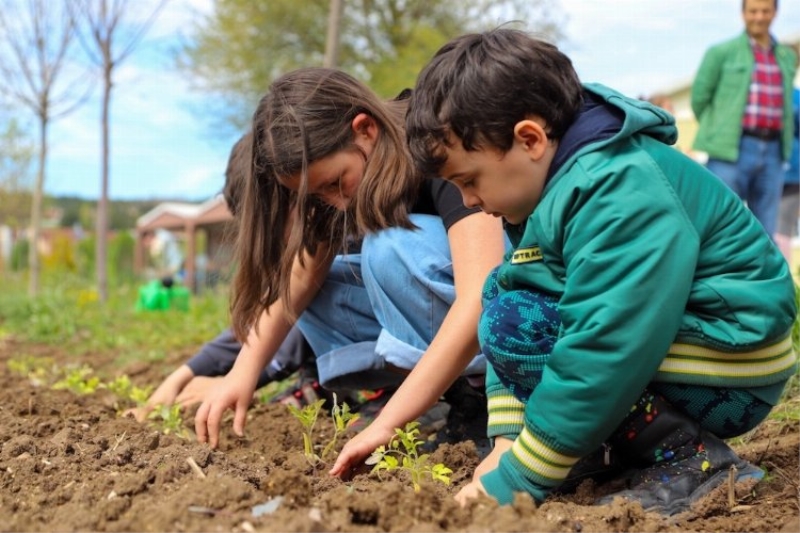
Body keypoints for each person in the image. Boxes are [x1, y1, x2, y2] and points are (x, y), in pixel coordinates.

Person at [395, 28, 797, 515]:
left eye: (469, 180)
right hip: (685, 347)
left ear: (530, 139)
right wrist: (508, 442)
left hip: (735, 362)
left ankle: (693, 463)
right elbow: (510, 296)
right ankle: (601, 450)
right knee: (506, 302)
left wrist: (520, 477)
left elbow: (607, 346)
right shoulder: (560, 188)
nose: (469, 202)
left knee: (523, 324)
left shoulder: (617, 189)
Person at [194, 68, 507, 453]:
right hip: (464, 303)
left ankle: (491, 397)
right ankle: (457, 396)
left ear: (365, 129)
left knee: (389, 248)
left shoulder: (433, 139)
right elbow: (301, 281)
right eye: (320, 195)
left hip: (517, 300)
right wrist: (242, 372)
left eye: (335, 182)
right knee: (319, 285)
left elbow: (481, 291)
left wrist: (390, 423)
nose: (337, 203)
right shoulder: (344, 179)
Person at [127, 134, 317, 422]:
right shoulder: (293, 253)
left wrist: (237, 379)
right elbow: (264, 318)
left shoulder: (333, 245)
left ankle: (339, 390)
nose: (268, 237)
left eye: (268, 222)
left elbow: (294, 329)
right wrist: (184, 374)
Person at [691, 0, 797, 239]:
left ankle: (760, 276)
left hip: (773, 150)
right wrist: (719, 130)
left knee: (765, 229)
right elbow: (699, 99)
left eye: (765, 11)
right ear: (743, 14)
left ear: (775, 13)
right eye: (753, 11)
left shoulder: (785, 57)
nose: (759, 17)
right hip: (731, 150)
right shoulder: (721, 53)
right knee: (719, 222)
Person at [775, 85, 799, 263]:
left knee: (782, 229)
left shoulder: (795, 97)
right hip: (778, 171)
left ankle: (782, 281)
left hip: (792, 175)